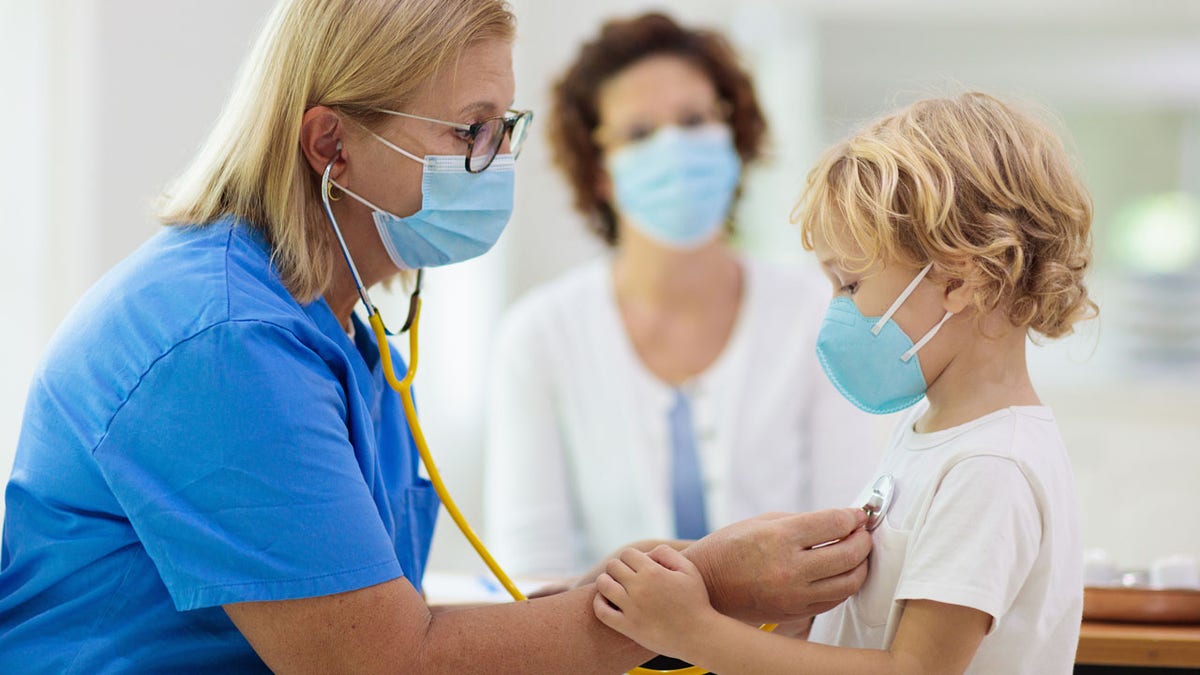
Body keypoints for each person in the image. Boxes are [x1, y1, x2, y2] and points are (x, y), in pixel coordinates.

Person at [0, 1, 874, 672]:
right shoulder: (223, 343)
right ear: (332, 144)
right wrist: (707, 585)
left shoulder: (339, 336)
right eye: (470, 130)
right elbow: (384, 660)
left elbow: (392, 618)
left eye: (504, 129)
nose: (496, 160)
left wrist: (642, 585)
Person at [590, 92, 1095, 674]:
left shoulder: (989, 467)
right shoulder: (932, 433)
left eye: (850, 285)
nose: (835, 310)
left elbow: (914, 672)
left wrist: (692, 632)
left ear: (961, 280)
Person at [484, 11, 878, 578]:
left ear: (733, 135)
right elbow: (531, 575)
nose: (673, 147)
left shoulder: (819, 313)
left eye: (694, 121)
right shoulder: (541, 335)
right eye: (639, 134)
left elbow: (850, 541)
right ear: (599, 170)